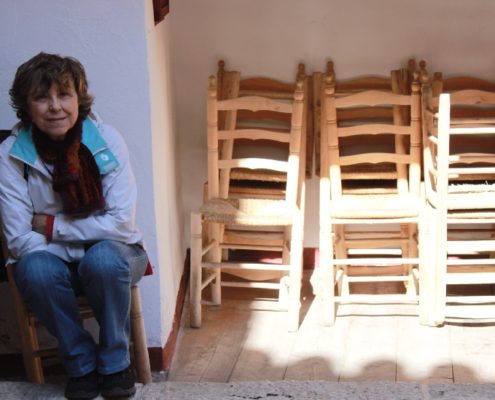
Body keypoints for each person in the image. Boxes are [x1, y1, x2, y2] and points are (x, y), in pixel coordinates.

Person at [0, 52, 151, 400]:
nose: (55, 107)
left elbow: (121, 224)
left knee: (103, 260)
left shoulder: (106, 139)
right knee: (36, 269)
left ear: (78, 99)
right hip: (51, 261)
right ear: (26, 106)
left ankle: (115, 364)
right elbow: (19, 238)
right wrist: (79, 244)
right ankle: (81, 364)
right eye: (42, 97)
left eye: (64, 95)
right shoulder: (11, 154)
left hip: (117, 255)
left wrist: (53, 227)